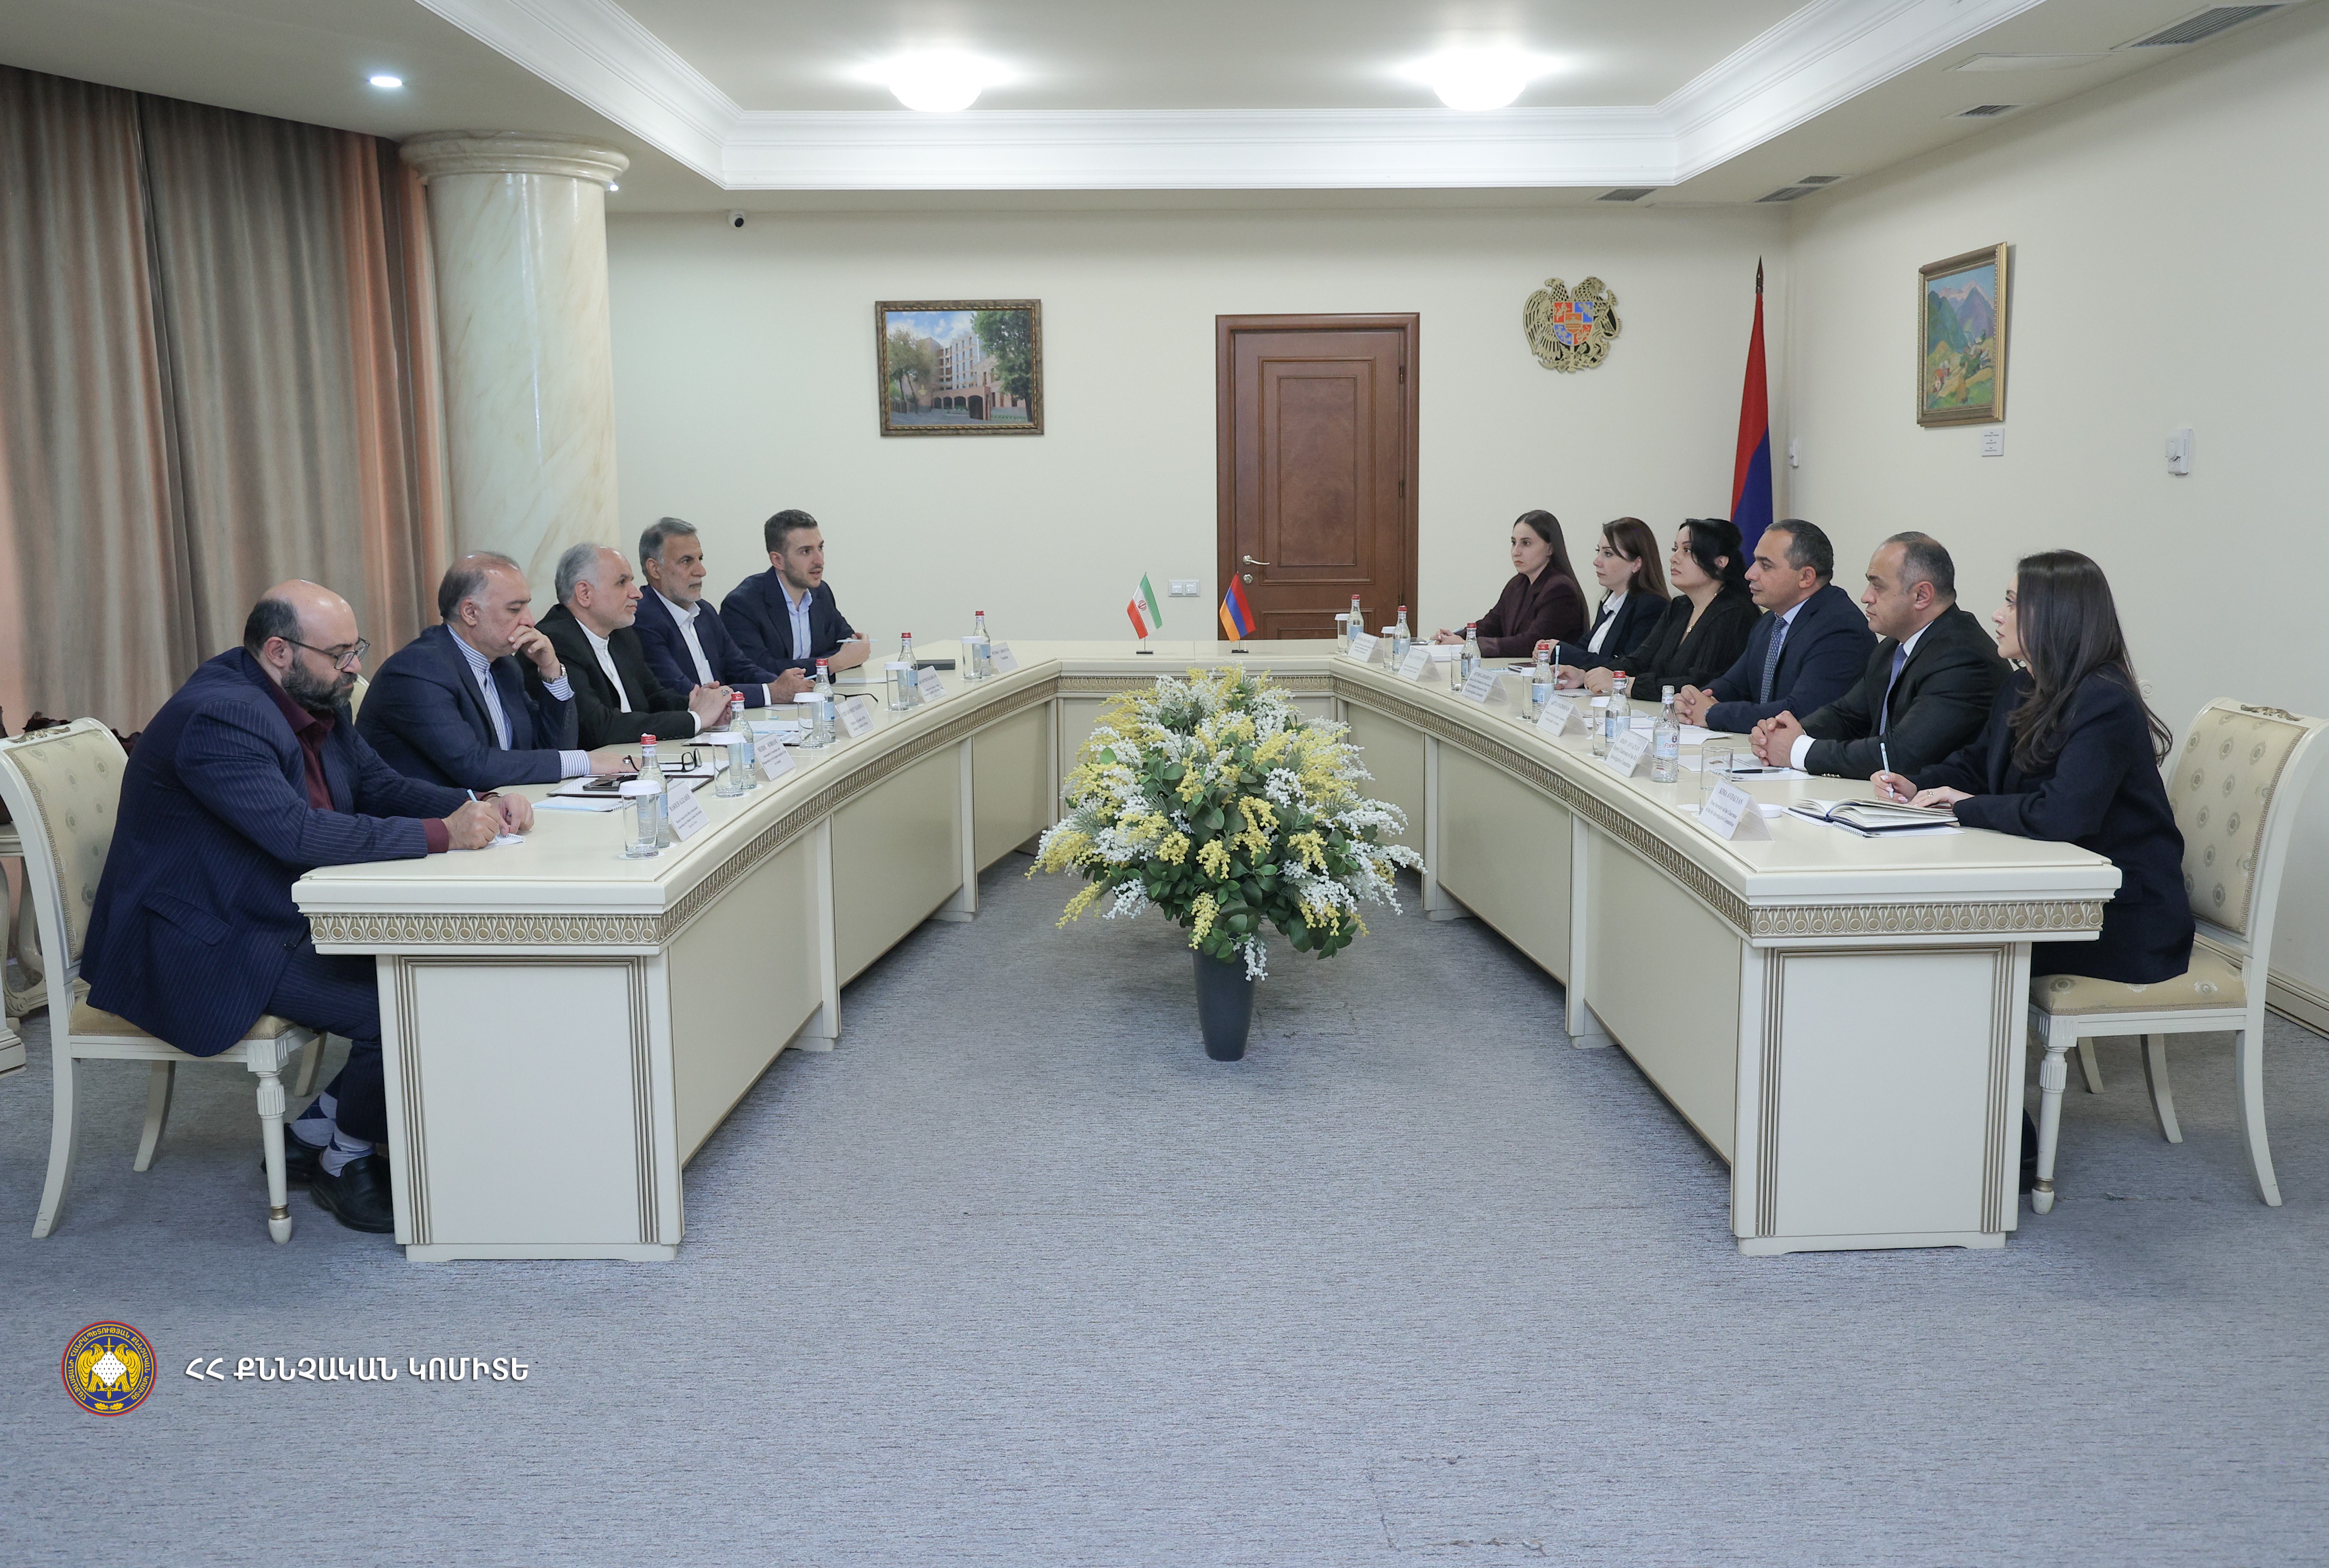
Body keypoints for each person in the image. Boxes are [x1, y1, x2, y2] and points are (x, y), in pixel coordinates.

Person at [81, 582, 528, 1233]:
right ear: (279, 651)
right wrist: (444, 834)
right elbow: (295, 834)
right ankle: (345, 1163)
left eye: (355, 649)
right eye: (340, 654)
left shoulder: (313, 695)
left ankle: (316, 1131)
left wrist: (476, 802)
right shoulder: (222, 717)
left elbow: (377, 784)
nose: (355, 667)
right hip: (202, 938)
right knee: (401, 1003)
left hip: (266, 907)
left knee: (441, 972)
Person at [1876, 550, 2191, 984]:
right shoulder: (2022, 684)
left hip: (2118, 916)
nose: (1996, 615)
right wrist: (1917, 785)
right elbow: (1978, 765)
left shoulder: (2105, 701)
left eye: (2011, 603)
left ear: (2054, 616)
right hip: (2056, 892)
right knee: (1927, 936)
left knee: (1941, 947)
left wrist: (1963, 805)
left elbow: (2062, 815)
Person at [359, 553, 633, 790]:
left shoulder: (504, 666)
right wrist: (586, 761)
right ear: (470, 613)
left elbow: (553, 748)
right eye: (514, 609)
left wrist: (552, 671)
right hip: (428, 824)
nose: (530, 621)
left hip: (500, 813)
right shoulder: (417, 671)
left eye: (527, 606)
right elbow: (474, 765)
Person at [1749, 532, 2006, 778]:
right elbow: (1847, 716)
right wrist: (1784, 733)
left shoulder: (1964, 659)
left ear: (1922, 596)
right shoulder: (1892, 647)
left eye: (1877, 586)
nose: (1866, 597)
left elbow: (1902, 754)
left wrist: (1799, 751)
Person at [1674, 519, 1874, 732]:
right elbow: (1734, 685)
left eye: (1766, 566)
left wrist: (1711, 713)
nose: (1750, 574)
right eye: (1755, 562)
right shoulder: (1771, 621)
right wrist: (1693, 702)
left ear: (1806, 577)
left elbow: (1800, 713)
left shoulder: (1840, 629)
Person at [538, 543, 734, 749]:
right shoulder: (557, 642)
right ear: (585, 593)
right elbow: (599, 728)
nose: (637, 593)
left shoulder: (622, 635)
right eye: (622, 583)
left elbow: (654, 697)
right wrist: (696, 719)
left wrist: (695, 704)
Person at [1555, 518, 1758, 699]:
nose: (1674, 558)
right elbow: (1638, 662)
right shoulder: (1680, 607)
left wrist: (1626, 684)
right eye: (1675, 549)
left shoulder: (1734, 614)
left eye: (1687, 551)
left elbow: (1700, 684)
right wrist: (1585, 675)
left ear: (1720, 562)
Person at [633, 516, 813, 710]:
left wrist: (784, 684)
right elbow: (686, 694)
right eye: (687, 561)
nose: (701, 571)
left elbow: (740, 668)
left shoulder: (704, 612)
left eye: (700, 559)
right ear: (655, 569)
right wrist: (772, 692)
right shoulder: (643, 619)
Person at [722, 510, 871, 677]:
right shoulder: (742, 605)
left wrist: (850, 653)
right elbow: (758, 670)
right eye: (806, 551)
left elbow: (848, 646)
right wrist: (830, 664)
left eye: (820, 548)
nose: (820, 561)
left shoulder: (821, 593)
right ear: (778, 560)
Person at [1432, 510, 1585, 655]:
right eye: (1514, 543)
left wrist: (1469, 645)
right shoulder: (1518, 584)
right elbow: (1491, 625)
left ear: (1550, 549)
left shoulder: (1560, 589)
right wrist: (1455, 637)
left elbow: (1532, 643)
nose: (1516, 552)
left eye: (1526, 543)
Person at [1550, 518, 1667, 668]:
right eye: (1598, 551)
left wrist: (1562, 652)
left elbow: (1629, 666)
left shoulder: (1651, 607)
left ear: (1637, 564)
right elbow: (1585, 649)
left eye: (1608, 554)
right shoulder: (1610, 602)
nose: (1597, 561)